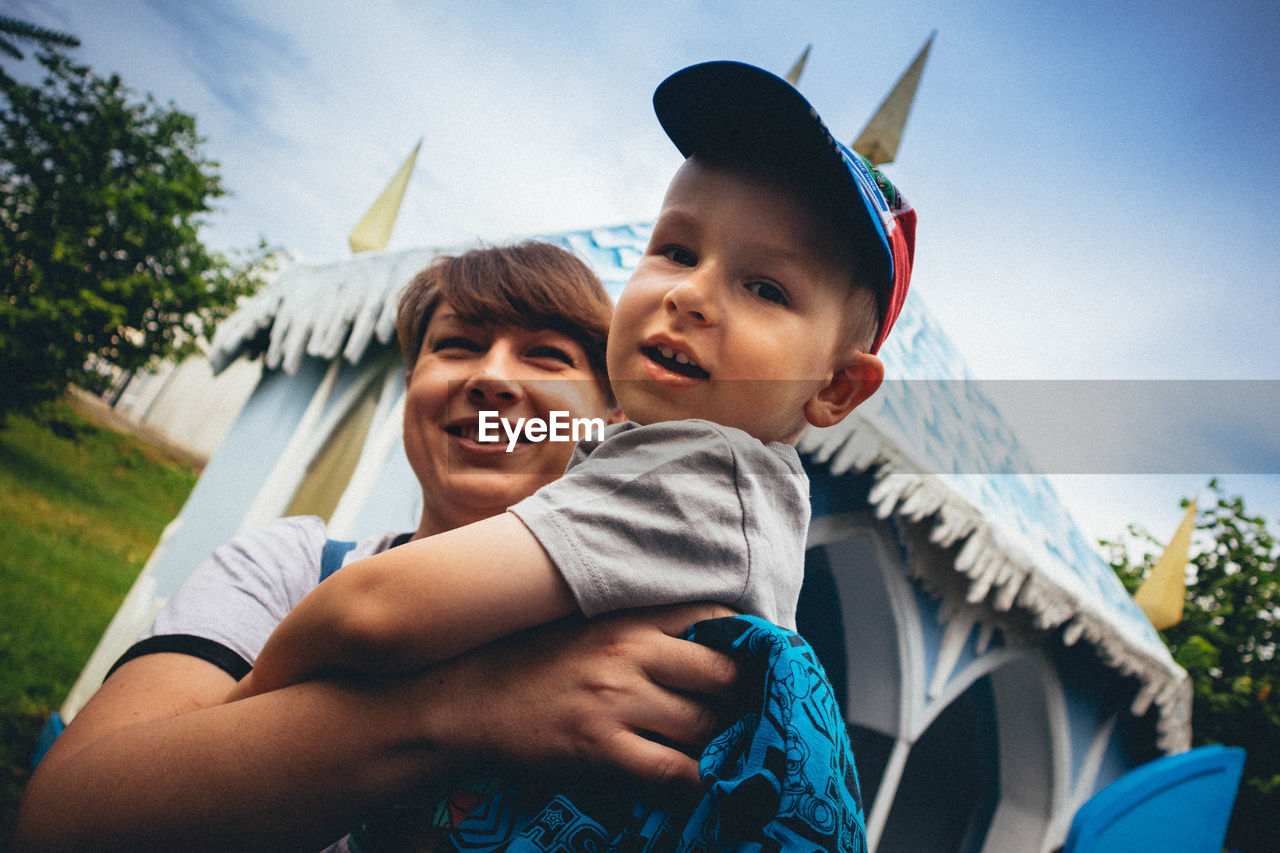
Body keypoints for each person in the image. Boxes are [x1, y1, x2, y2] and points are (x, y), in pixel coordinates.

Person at [232, 60, 915, 850]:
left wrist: (246, 705)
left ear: (836, 388)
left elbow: (370, 609)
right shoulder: (716, 488)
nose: (690, 294)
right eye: (677, 250)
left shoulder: (697, 477)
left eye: (766, 288)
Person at [14, 241, 739, 852]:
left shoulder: (648, 644)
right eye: (456, 346)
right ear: (411, 384)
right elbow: (62, 821)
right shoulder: (290, 568)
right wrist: (463, 709)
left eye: (546, 356)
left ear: (607, 416)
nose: (491, 377)